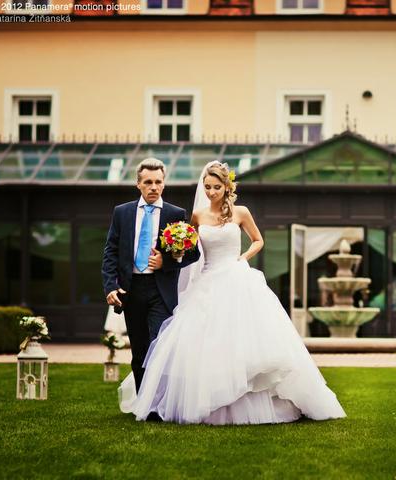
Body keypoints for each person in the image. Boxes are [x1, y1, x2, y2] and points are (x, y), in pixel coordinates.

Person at [120, 161, 346, 425]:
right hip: (207, 282)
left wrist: (243, 257)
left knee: (245, 338)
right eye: (207, 187)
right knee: (207, 343)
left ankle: (260, 400)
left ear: (226, 187)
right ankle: (207, 400)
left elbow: (258, 240)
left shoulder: (241, 212)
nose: (211, 192)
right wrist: (177, 250)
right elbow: (190, 252)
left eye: (216, 187)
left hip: (237, 277)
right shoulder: (197, 216)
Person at [101, 157, 200, 393]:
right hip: (131, 289)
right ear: (138, 184)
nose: (153, 187)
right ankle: (143, 404)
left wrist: (166, 261)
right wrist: (110, 286)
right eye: (148, 182)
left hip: (161, 291)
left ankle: (157, 404)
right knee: (139, 351)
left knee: (159, 347)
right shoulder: (122, 212)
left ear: (164, 183)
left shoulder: (176, 213)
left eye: (158, 182)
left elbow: (193, 254)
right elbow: (110, 251)